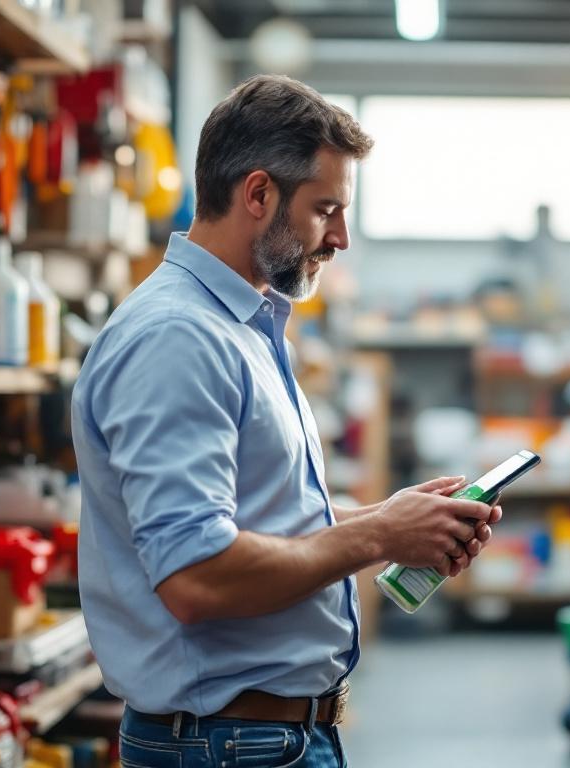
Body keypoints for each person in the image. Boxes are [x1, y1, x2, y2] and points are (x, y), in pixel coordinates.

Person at [71, 74, 503, 768]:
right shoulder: (179, 339)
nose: (341, 238)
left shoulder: (240, 326)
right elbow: (198, 575)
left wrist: (386, 522)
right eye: (325, 209)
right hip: (224, 747)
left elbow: (258, 518)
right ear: (258, 194)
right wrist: (376, 538)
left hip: (264, 741)